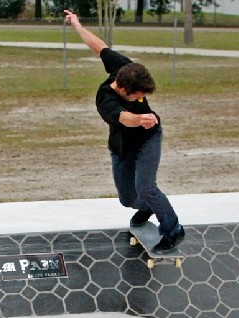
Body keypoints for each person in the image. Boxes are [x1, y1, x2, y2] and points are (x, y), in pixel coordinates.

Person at [64, 9, 186, 253]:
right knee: (128, 199)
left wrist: (76, 23)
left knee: (146, 187)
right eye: (139, 95)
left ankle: (173, 230)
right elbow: (125, 118)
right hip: (123, 142)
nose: (142, 98)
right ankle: (150, 206)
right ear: (123, 89)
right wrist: (141, 119)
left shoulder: (124, 67)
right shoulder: (106, 100)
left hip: (149, 139)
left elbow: (98, 45)